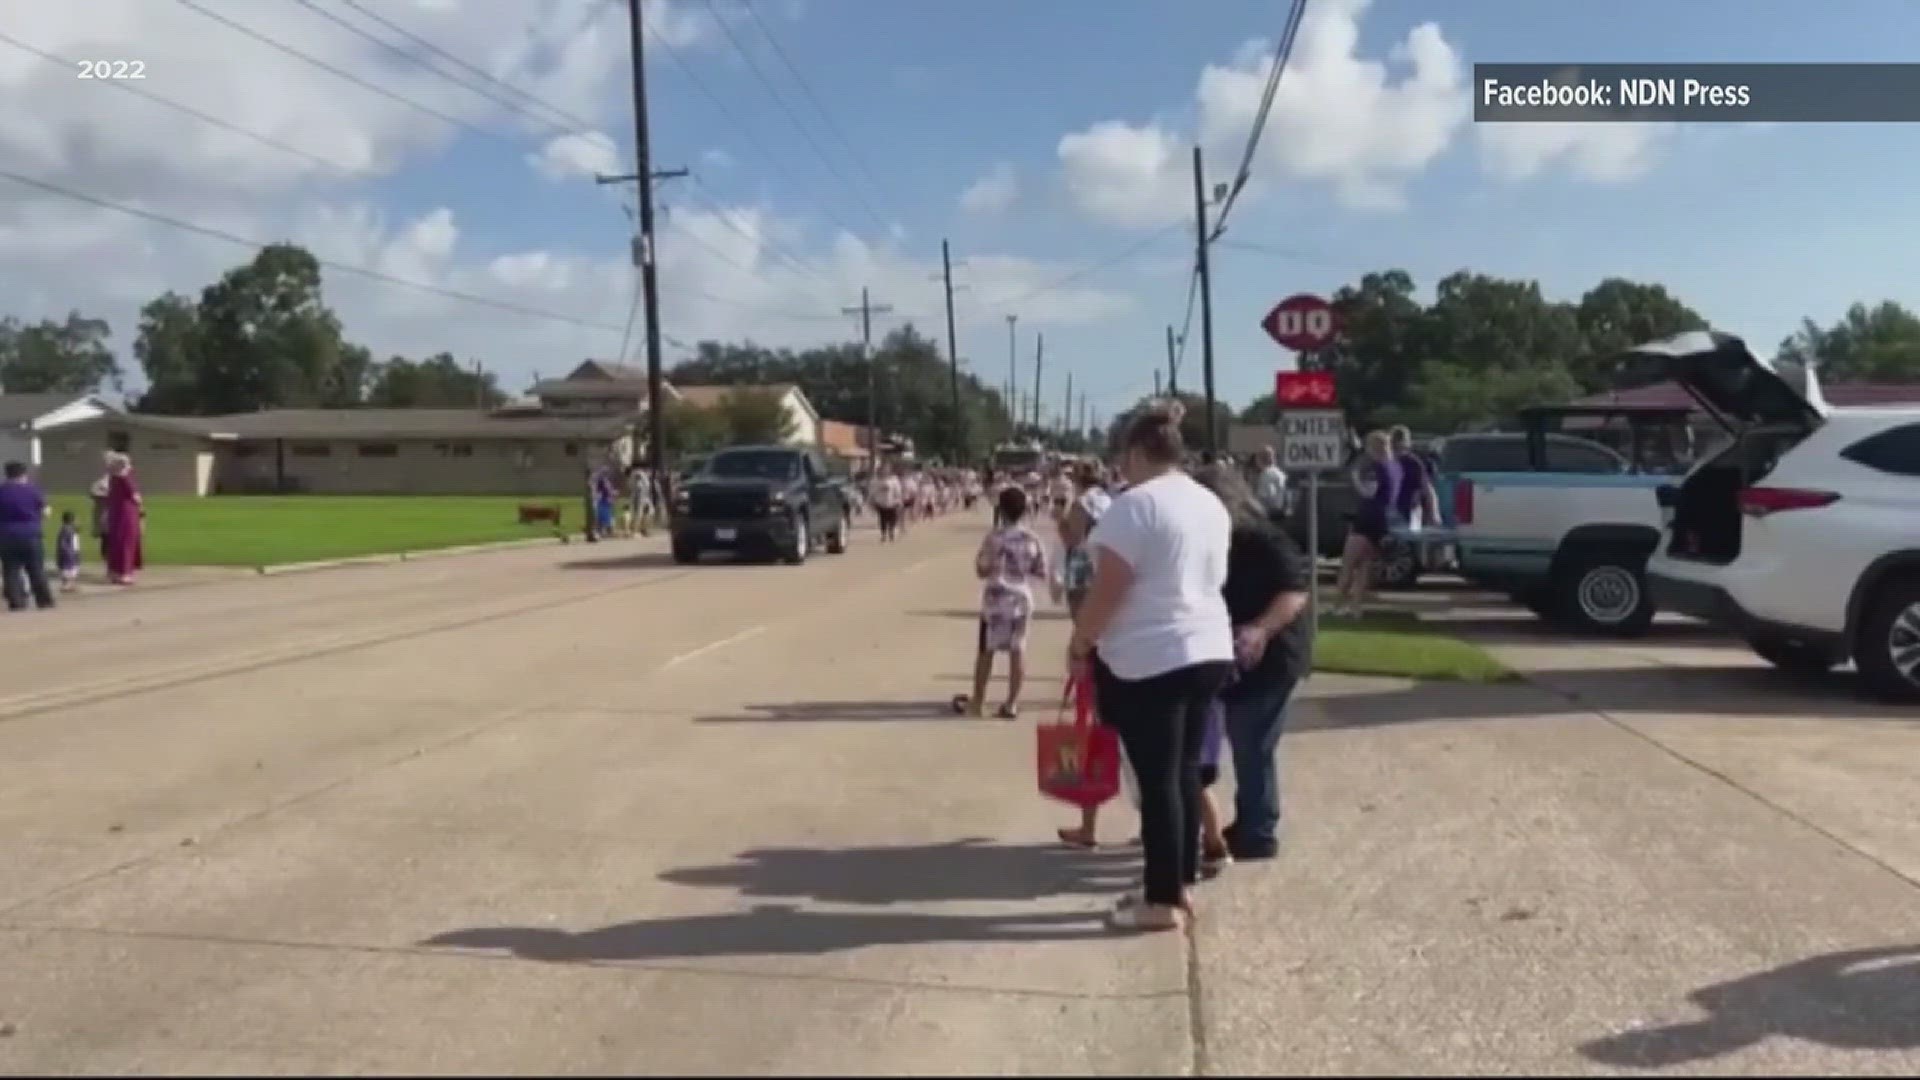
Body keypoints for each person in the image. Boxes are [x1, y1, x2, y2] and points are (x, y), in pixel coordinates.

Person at [1069, 405, 1234, 932]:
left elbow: (1110, 587)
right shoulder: (1209, 503)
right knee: (1184, 773)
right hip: (1207, 645)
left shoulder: (1133, 506)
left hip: (1150, 658)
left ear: (1137, 453)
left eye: (1123, 456)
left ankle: (1161, 898)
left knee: (1159, 778)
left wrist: (1081, 639)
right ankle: (1177, 881)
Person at [1192, 463, 1311, 862]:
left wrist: (1260, 630)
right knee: (1246, 740)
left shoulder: (1264, 540)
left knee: (1251, 738)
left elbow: (1294, 593)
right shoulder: (1211, 539)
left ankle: (1259, 831)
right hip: (1233, 654)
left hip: (1273, 652)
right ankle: (1252, 821)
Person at [954, 485, 1049, 720]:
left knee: (986, 651)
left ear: (1001, 510)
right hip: (1021, 599)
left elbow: (981, 570)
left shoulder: (994, 537)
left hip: (996, 600)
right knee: (1018, 651)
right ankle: (1011, 703)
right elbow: (1041, 571)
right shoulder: (1032, 538)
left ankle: (978, 702)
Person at [1334, 430, 1399, 617]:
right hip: (1382, 521)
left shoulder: (1377, 468)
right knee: (1364, 565)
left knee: (1348, 563)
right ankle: (1356, 608)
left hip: (1367, 518)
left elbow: (1368, 492)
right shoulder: (1394, 467)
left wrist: (1355, 478)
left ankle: (1338, 606)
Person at [0, 461, 55, 611]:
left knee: (11, 570)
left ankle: (16, 601)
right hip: (31, 533)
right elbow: (46, 512)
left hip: (7, 535)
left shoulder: (2, 491)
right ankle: (44, 600)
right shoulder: (33, 490)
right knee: (36, 568)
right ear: (24, 474)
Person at [102, 452, 144, 586]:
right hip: (127, 514)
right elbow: (135, 496)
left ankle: (114, 571)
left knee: (116, 542)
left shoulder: (112, 478)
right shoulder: (126, 477)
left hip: (115, 513)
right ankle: (125, 573)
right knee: (127, 542)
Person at [1388, 426, 1437, 531]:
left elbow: (1426, 489)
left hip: (1408, 508)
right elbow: (1427, 489)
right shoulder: (1388, 462)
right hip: (1399, 509)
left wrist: (1433, 513)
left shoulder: (1411, 462)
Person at [1253, 447, 1289, 526]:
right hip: (1282, 514)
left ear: (1259, 459)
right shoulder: (1280, 473)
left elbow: (1266, 495)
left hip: (1271, 516)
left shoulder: (1266, 474)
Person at [869, 467, 902, 542]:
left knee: (893, 518)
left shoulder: (894, 480)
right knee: (882, 519)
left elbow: (898, 491)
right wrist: (872, 501)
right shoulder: (875, 481)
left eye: (885, 471)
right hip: (881, 503)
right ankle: (883, 534)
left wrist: (898, 500)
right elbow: (872, 492)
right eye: (882, 471)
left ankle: (891, 531)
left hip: (893, 502)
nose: (884, 473)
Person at [55, 510, 81, 591]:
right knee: (67, 569)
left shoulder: (70, 529)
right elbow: (63, 543)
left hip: (73, 552)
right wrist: (67, 551)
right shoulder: (66, 530)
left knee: (72, 568)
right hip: (69, 552)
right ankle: (66, 584)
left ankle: (71, 584)